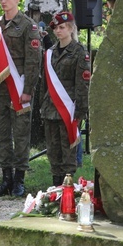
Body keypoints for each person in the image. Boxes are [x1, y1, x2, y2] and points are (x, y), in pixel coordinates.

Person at [0, 0, 41, 198]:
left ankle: (19, 180)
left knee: (20, 136)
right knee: (0, 134)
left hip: (19, 89)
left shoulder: (28, 26)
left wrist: (28, 90)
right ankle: (6, 178)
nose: (3, 1)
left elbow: (33, 61)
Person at [41, 12, 90, 186]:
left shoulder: (79, 52)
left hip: (69, 108)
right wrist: (42, 105)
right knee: (53, 151)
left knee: (68, 151)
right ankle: (55, 187)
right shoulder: (50, 52)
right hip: (50, 108)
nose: (58, 31)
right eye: (55, 28)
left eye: (62, 27)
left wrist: (80, 111)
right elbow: (45, 84)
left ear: (70, 28)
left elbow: (82, 84)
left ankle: (68, 188)